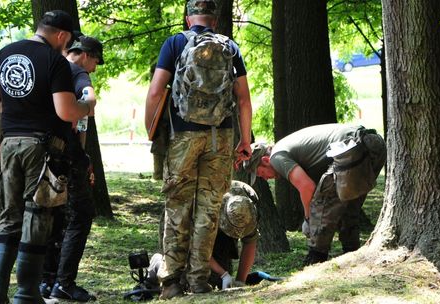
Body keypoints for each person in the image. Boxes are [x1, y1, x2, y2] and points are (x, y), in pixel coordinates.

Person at [0, 10, 96, 304]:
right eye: (68, 39)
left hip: (9, 143)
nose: (67, 44)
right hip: (43, 147)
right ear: (61, 35)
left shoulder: (4, 54)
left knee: (9, 217)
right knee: (37, 214)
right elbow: (66, 111)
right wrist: (86, 105)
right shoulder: (54, 61)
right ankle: (26, 293)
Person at [144, 0, 253, 299]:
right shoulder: (229, 46)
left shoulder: (175, 42)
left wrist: (151, 131)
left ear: (188, 18)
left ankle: (172, 283)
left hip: (182, 137)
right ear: (215, 21)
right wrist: (245, 141)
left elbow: (156, 91)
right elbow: (243, 99)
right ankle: (199, 281)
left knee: (178, 207)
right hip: (220, 136)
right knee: (209, 211)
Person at [242, 124, 386, 266]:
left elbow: (307, 187)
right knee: (349, 207)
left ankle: (316, 258)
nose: (265, 178)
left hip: (351, 148)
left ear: (266, 161)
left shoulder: (276, 157)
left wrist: (307, 218)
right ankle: (352, 254)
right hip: (374, 144)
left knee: (321, 202)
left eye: (261, 173)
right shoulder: (285, 146)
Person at [39, 35, 104, 302]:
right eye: (96, 61)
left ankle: (45, 281)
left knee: (50, 216)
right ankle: (64, 283)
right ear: (86, 55)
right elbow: (89, 103)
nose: (95, 68)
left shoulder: (48, 66)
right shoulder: (76, 72)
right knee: (80, 214)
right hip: (66, 155)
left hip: (41, 153)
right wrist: (88, 104)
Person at [147, 180, 259, 292]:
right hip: (179, 226)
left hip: (213, 229)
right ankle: (157, 263)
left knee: (216, 282)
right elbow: (195, 245)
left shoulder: (247, 204)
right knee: (182, 281)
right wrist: (223, 274)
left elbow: (250, 242)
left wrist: (240, 281)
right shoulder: (203, 207)